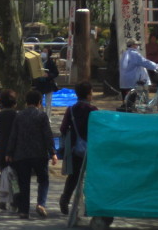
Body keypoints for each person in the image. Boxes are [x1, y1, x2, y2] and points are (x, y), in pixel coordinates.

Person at [7, 89, 57, 219]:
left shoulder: (19, 115)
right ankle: (41, 203)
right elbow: (47, 136)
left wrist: (9, 152)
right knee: (43, 180)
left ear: (26, 102)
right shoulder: (42, 116)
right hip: (39, 154)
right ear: (39, 102)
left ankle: (24, 210)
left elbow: (13, 135)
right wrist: (52, 153)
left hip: (21, 155)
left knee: (24, 183)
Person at [58, 81, 98, 215]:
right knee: (91, 177)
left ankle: (65, 199)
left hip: (75, 149)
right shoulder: (93, 110)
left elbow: (63, 128)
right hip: (91, 149)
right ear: (88, 95)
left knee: (73, 177)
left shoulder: (71, 110)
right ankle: (89, 205)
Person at [0, 89, 18, 211]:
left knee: (3, 175)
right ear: (14, 103)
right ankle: (14, 200)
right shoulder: (17, 115)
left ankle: (2, 199)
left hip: (1, 149)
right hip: (15, 150)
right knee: (14, 178)